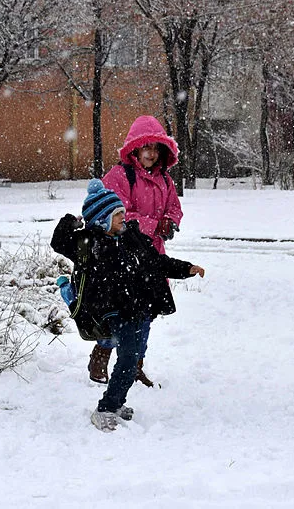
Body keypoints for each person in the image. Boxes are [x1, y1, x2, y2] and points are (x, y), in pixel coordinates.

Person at [51, 180, 204, 432]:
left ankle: (116, 402)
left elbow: (157, 262)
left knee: (131, 360)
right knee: (129, 358)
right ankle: (105, 408)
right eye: (117, 214)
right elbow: (59, 242)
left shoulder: (132, 238)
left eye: (122, 212)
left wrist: (186, 269)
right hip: (110, 311)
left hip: (135, 306)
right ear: (102, 219)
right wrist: (70, 222)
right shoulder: (89, 243)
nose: (123, 217)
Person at [87, 115, 183, 387]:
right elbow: (116, 215)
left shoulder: (165, 180)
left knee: (147, 313)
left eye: (156, 148)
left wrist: (171, 221)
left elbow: (174, 207)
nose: (151, 153)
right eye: (146, 147)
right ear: (135, 149)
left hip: (152, 256)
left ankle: (134, 366)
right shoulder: (119, 176)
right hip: (123, 257)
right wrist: (153, 225)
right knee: (120, 312)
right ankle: (102, 353)